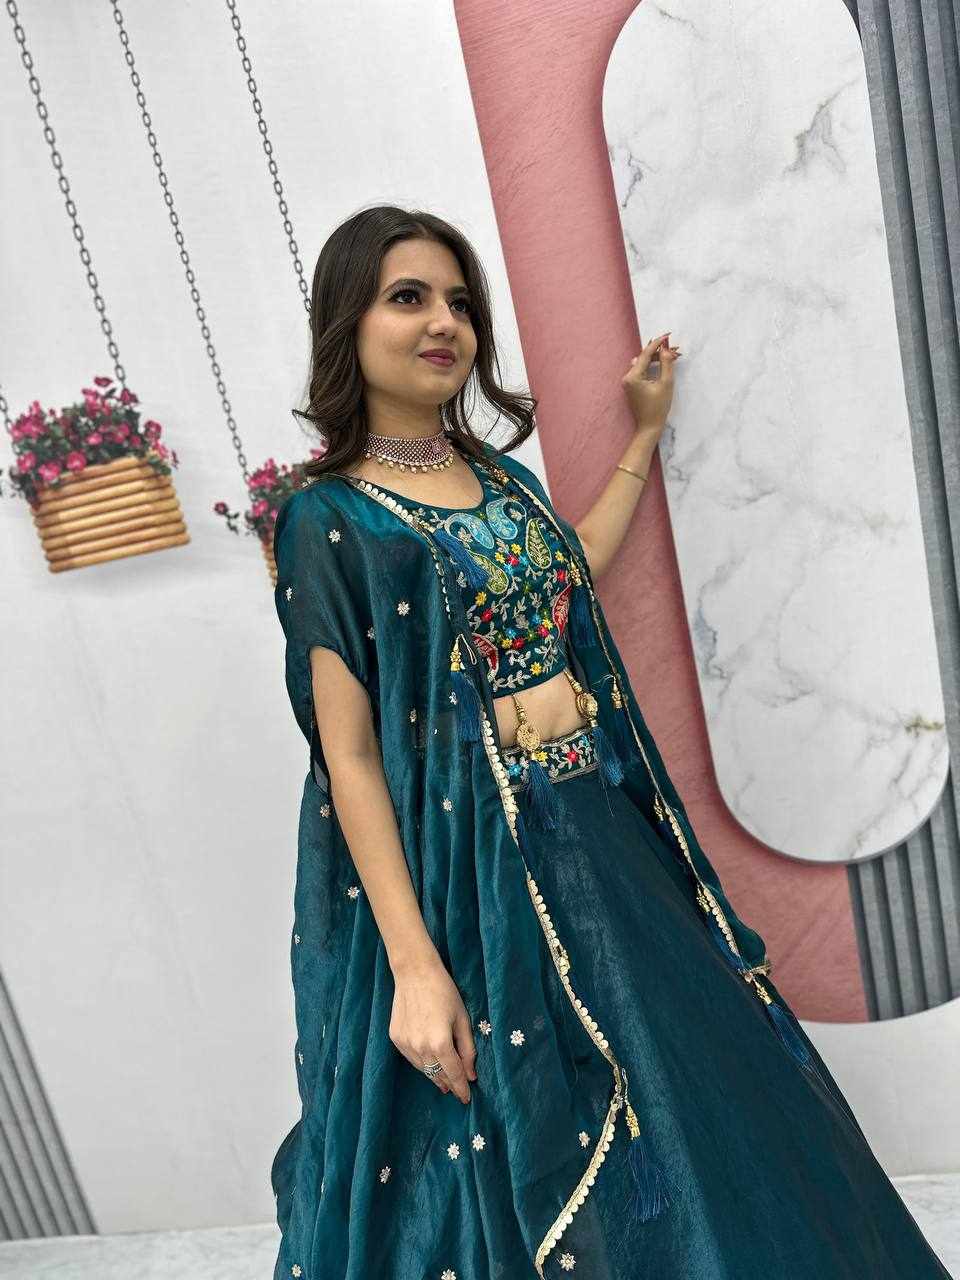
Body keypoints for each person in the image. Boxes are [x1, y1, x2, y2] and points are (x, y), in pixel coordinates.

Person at [269, 205, 953, 1280]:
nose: (444, 322)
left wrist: (642, 436)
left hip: (600, 827)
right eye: (409, 297)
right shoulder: (329, 519)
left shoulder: (505, 482)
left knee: (695, 1086)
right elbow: (346, 757)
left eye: (459, 302)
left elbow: (570, 567)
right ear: (347, 319)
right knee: (539, 1129)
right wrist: (414, 966)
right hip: (478, 872)